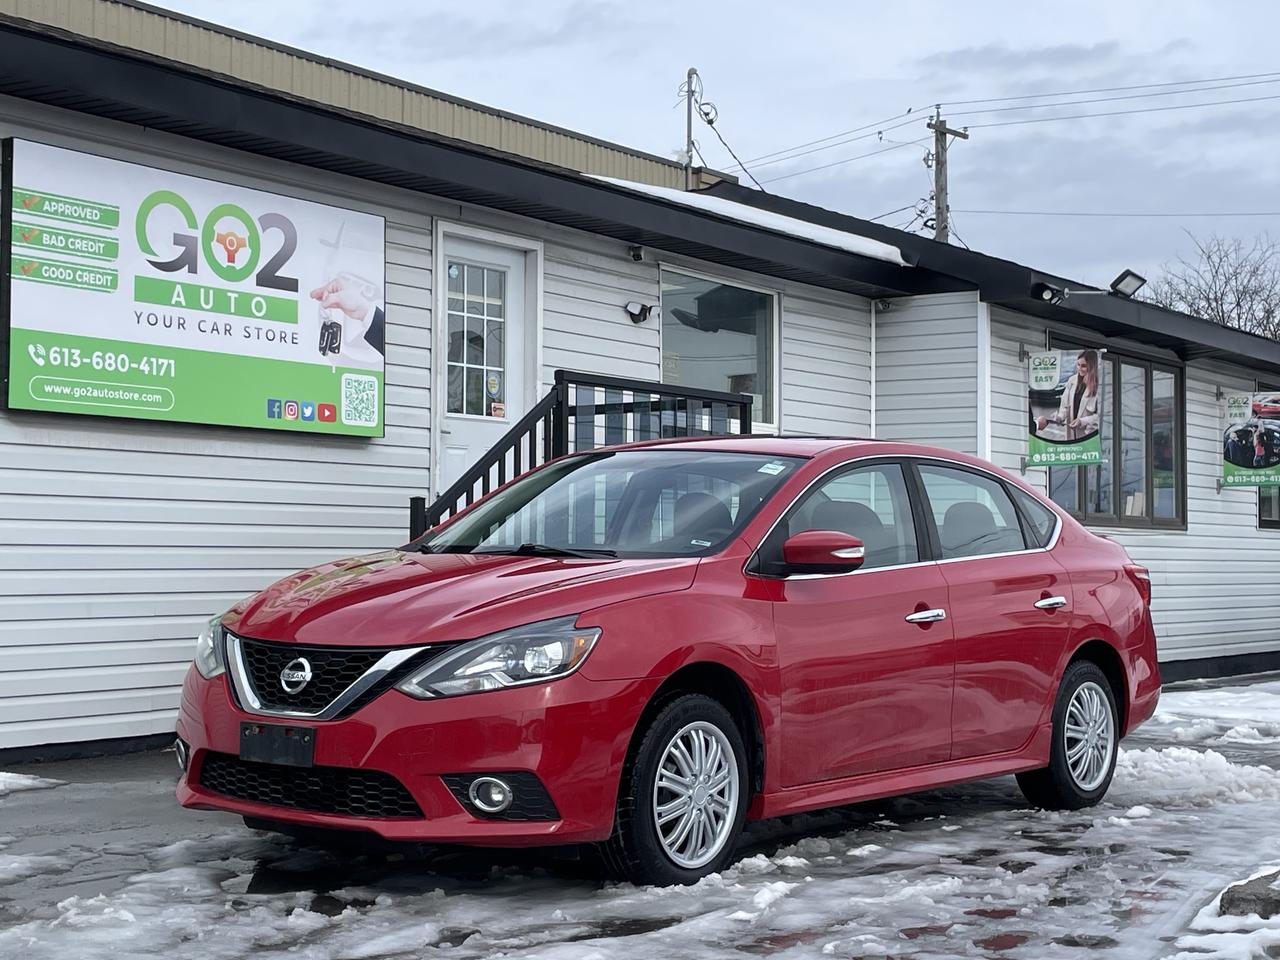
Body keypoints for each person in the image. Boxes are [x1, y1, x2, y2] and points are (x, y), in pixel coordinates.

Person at [1036, 351, 1100, 440]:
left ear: (1091, 367)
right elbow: (1065, 407)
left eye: (1083, 366)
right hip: (1072, 438)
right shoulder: (1072, 381)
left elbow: (1101, 416)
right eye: (1078, 365)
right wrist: (1059, 417)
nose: (1079, 368)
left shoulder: (1099, 386)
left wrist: (1082, 421)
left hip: (1089, 438)